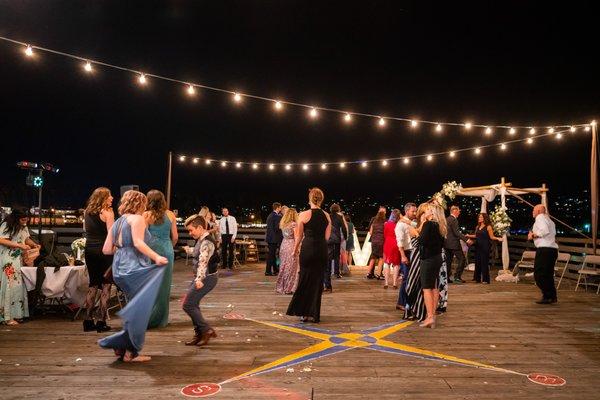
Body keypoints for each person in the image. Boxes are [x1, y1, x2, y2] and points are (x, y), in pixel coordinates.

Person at [99, 190, 168, 362]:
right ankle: (130, 351)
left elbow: (106, 249)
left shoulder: (118, 222)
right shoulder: (137, 219)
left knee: (136, 306)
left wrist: (123, 247)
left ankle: (122, 345)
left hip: (119, 268)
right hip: (134, 266)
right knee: (141, 309)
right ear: (140, 203)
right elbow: (138, 242)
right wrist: (157, 257)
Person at [287, 188, 332, 323]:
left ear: (310, 199)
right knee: (317, 282)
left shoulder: (303, 215)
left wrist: (294, 251)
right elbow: (327, 237)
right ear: (321, 199)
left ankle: (304, 313)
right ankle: (314, 314)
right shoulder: (327, 216)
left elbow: (299, 236)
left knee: (304, 280)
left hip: (308, 250)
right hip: (321, 250)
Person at [183, 215, 220, 345]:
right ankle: (199, 334)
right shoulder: (202, 240)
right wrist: (191, 250)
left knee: (187, 304)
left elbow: (203, 262)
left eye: (191, 230)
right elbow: (202, 253)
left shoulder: (207, 242)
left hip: (206, 278)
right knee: (192, 304)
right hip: (203, 277)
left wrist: (199, 279)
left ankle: (206, 330)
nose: (190, 233)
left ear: (199, 227)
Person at [82, 188, 115, 333]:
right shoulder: (108, 212)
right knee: (106, 286)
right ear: (103, 198)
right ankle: (101, 322)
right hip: (104, 251)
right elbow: (111, 234)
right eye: (109, 196)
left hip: (89, 250)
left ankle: (87, 321)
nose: (112, 198)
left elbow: (85, 230)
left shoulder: (86, 211)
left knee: (93, 284)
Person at [144, 190, 178, 328]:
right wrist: (169, 245)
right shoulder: (170, 214)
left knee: (150, 285)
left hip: (151, 251)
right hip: (167, 250)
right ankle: (161, 320)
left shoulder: (146, 215)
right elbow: (175, 237)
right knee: (165, 286)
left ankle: (148, 319)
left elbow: (144, 237)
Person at [0, 207, 40, 325]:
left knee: (18, 286)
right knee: (9, 285)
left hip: (18, 259)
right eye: (22, 220)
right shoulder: (6, 225)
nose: (24, 222)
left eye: (26, 220)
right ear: (16, 218)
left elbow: (26, 238)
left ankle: (17, 314)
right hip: (7, 258)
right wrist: (19, 246)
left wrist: (34, 245)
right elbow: (1, 239)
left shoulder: (23, 226)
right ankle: (7, 317)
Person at [418, 203, 447, 329]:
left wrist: (423, 224)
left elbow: (421, 241)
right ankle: (433, 316)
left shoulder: (428, 224)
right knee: (434, 287)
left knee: (426, 288)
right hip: (437, 258)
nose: (427, 211)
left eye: (429, 210)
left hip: (428, 259)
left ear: (433, 213)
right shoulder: (440, 226)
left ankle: (429, 317)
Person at [528, 204, 559, 304]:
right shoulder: (550, 220)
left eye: (534, 210)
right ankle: (551, 296)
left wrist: (532, 235)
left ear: (539, 211)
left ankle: (548, 295)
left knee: (539, 274)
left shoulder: (540, 217)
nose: (532, 212)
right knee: (548, 275)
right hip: (552, 250)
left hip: (545, 249)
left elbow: (544, 231)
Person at [466, 213, 502, 284]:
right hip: (478, 246)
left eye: (481, 217)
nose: (479, 218)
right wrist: (468, 235)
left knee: (484, 262)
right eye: (479, 217)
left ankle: (485, 279)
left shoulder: (488, 227)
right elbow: (476, 235)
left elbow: (491, 237)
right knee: (477, 262)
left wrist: (498, 238)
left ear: (485, 218)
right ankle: (477, 278)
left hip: (485, 246)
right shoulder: (477, 227)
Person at [396, 203, 417, 311]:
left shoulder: (411, 223)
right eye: (413, 211)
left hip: (413, 252)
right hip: (406, 253)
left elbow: (416, 227)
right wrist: (403, 256)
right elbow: (399, 243)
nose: (415, 213)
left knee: (410, 278)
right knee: (406, 278)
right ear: (407, 211)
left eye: (415, 211)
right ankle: (401, 302)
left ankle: (409, 301)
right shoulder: (400, 225)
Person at [444, 206, 472, 283]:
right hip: (454, 244)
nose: (459, 212)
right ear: (454, 211)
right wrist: (467, 240)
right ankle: (457, 277)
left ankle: (447, 278)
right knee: (462, 259)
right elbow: (456, 233)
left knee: (448, 262)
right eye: (458, 211)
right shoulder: (454, 220)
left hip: (446, 244)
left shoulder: (446, 219)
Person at [276, 208, 299, 294]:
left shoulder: (283, 224)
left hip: (284, 245)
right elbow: (296, 238)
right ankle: (290, 287)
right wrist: (296, 249)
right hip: (291, 245)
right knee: (292, 267)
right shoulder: (294, 224)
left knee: (284, 266)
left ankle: (281, 286)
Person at [325, 203, 348, 291]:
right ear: (338, 210)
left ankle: (329, 273)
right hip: (337, 239)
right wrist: (345, 237)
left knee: (329, 257)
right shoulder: (340, 217)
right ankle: (337, 272)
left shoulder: (328, 216)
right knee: (337, 255)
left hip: (329, 239)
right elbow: (344, 228)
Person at [382, 209, 401, 289]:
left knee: (387, 263)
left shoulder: (386, 224)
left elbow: (385, 234)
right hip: (396, 243)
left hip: (387, 243)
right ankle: (394, 283)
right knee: (396, 264)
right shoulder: (399, 224)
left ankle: (386, 282)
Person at [366, 208, 386, 279]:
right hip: (381, 241)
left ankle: (368, 273)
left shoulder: (374, 222)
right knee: (381, 258)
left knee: (373, 257)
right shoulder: (385, 222)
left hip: (374, 241)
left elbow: (370, 232)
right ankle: (378, 274)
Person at [265, 202, 283, 276]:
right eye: (280, 207)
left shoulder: (270, 215)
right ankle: (268, 271)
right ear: (278, 208)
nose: (281, 209)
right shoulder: (277, 216)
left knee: (272, 255)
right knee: (271, 255)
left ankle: (275, 270)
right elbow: (277, 228)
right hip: (274, 239)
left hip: (270, 238)